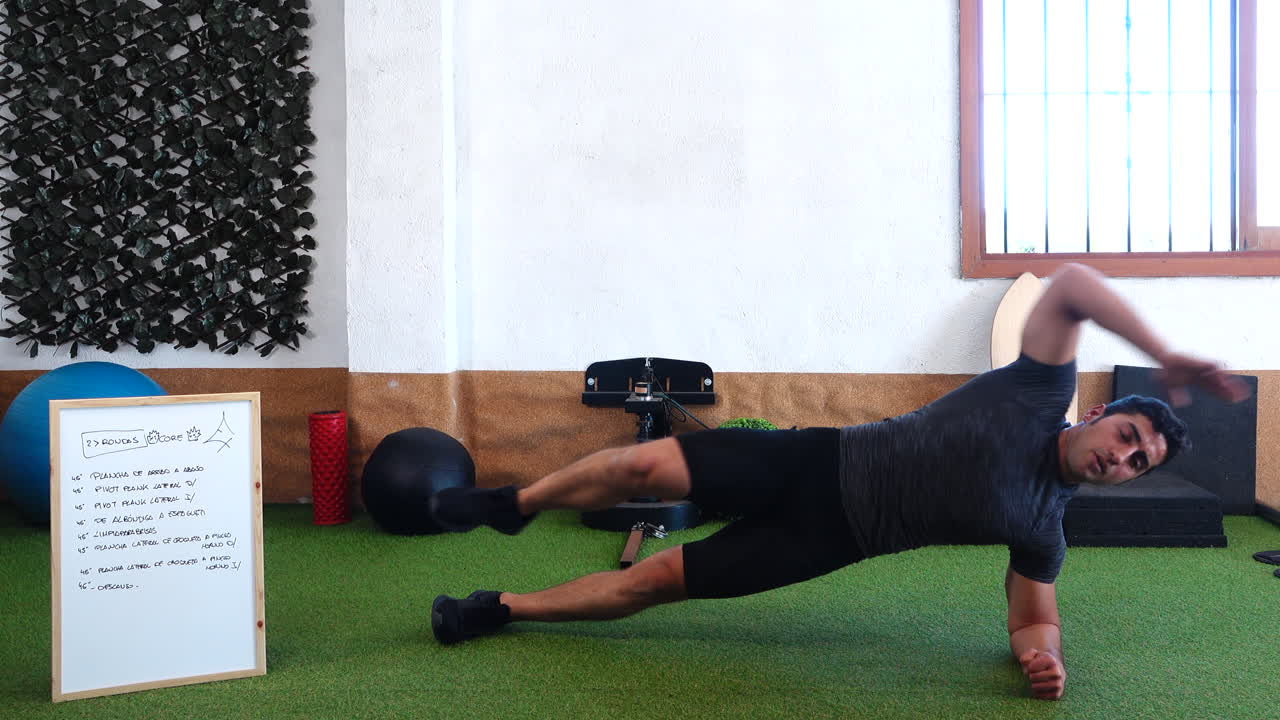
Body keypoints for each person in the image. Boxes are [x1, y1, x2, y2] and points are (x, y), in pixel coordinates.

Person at [426, 263, 1250, 701]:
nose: (1125, 456)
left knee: (654, 581)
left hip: (827, 539)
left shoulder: (1044, 522)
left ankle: (502, 608)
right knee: (643, 464)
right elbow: (1072, 283)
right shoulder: (1039, 391)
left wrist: (1043, 661)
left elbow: (1034, 618)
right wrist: (1166, 348)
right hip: (815, 458)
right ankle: (516, 504)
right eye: (1129, 435)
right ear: (1100, 418)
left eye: (1140, 463)